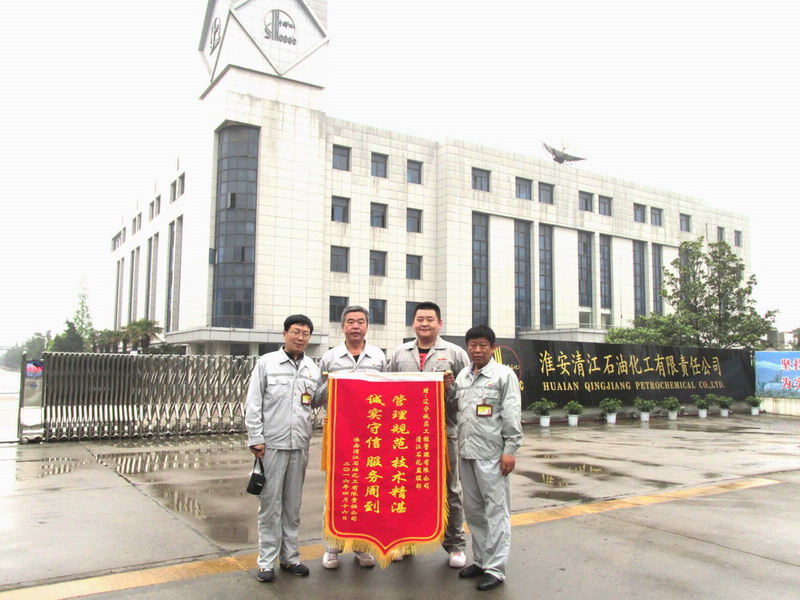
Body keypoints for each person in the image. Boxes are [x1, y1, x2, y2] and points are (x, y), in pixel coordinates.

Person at [387, 301, 469, 567]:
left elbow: (466, 396)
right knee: (405, 486)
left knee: (450, 488)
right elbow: (388, 390)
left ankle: (455, 544)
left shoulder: (455, 353)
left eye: (430, 319)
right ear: (413, 323)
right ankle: (405, 541)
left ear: (439, 324)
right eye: (420, 319)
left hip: (444, 432)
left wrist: (450, 388)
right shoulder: (400, 353)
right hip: (407, 434)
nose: (424, 324)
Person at [245, 315, 320, 583]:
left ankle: (290, 557)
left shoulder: (312, 368)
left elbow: (316, 400)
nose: (300, 338)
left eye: (305, 333)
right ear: (284, 334)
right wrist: (256, 437)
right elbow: (254, 402)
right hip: (271, 445)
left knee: (292, 505)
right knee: (270, 505)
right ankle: (266, 562)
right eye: (296, 332)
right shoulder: (267, 363)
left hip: (299, 445)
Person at [316, 305, 387, 570]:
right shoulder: (330, 357)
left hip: (370, 434)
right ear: (342, 326)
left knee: (366, 489)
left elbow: (389, 392)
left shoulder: (378, 356)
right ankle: (331, 548)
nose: (355, 326)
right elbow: (316, 398)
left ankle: (361, 547)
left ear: (367, 326)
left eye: (360, 321)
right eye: (350, 322)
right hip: (339, 433)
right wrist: (331, 382)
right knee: (336, 489)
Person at [453, 325, 522, 591]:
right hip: (466, 453)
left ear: (492, 347)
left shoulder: (504, 376)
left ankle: (496, 568)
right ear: (467, 347)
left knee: (496, 511)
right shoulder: (462, 376)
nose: (477, 350)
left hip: (492, 455)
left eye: (483, 345)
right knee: (474, 512)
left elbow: (512, 413)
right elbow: (455, 408)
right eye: (473, 345)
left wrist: (510, 450)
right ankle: (481, 561)